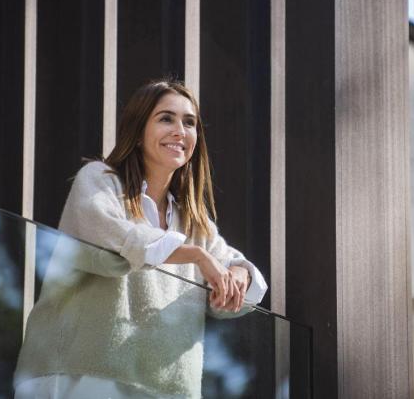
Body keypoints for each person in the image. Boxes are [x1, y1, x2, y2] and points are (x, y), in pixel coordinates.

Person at [14, 79, 268, 398]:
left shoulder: (194, 221)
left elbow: (236, 266)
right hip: (80, 376)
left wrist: (237, 274)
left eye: (189, 123)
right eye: (166, 118)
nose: (180, 130)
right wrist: (199, 257)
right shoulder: (99, 181)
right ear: (137, 131)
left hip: (165, 389)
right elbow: (117, 237)